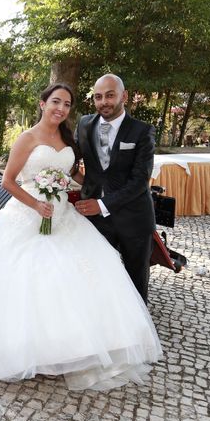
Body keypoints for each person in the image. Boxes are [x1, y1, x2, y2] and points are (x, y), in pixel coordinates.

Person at [0, 83, 162, 390]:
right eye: (56, 101)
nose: (61, 108)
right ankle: (31, 349)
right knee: (36, 278)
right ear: (42, 104)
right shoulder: (27, 138)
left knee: (91, 267)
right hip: (28, 214)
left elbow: (73, 174)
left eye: (67, 104)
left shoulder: (69, 136)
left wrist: (88, 187)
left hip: (64, 213)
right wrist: (36, 205)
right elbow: (8, 181)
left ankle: (92, 343)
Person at [74, 74, 156, 303]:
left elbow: (140, 181)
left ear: (124, 96)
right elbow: (70, 157)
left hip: (134, 218)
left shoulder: (142, 131)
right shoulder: (84, 124)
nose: (104, 102)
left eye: (110, 95)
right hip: (95, 221)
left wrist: (100, 205)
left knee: (135, 280)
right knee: (96, 275)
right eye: (98, 97)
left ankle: (137, 331)